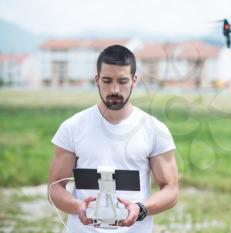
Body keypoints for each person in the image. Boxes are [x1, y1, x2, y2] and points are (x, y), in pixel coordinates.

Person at [48, 44, 179, 233]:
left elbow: (171, 190)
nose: (115, 89)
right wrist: (78, 207)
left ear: (134, 80)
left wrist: (140, 209)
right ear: (97, 80)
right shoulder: (72, 127)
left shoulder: (154, 129)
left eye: (123, 81)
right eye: (107, 80)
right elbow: (54, 188)